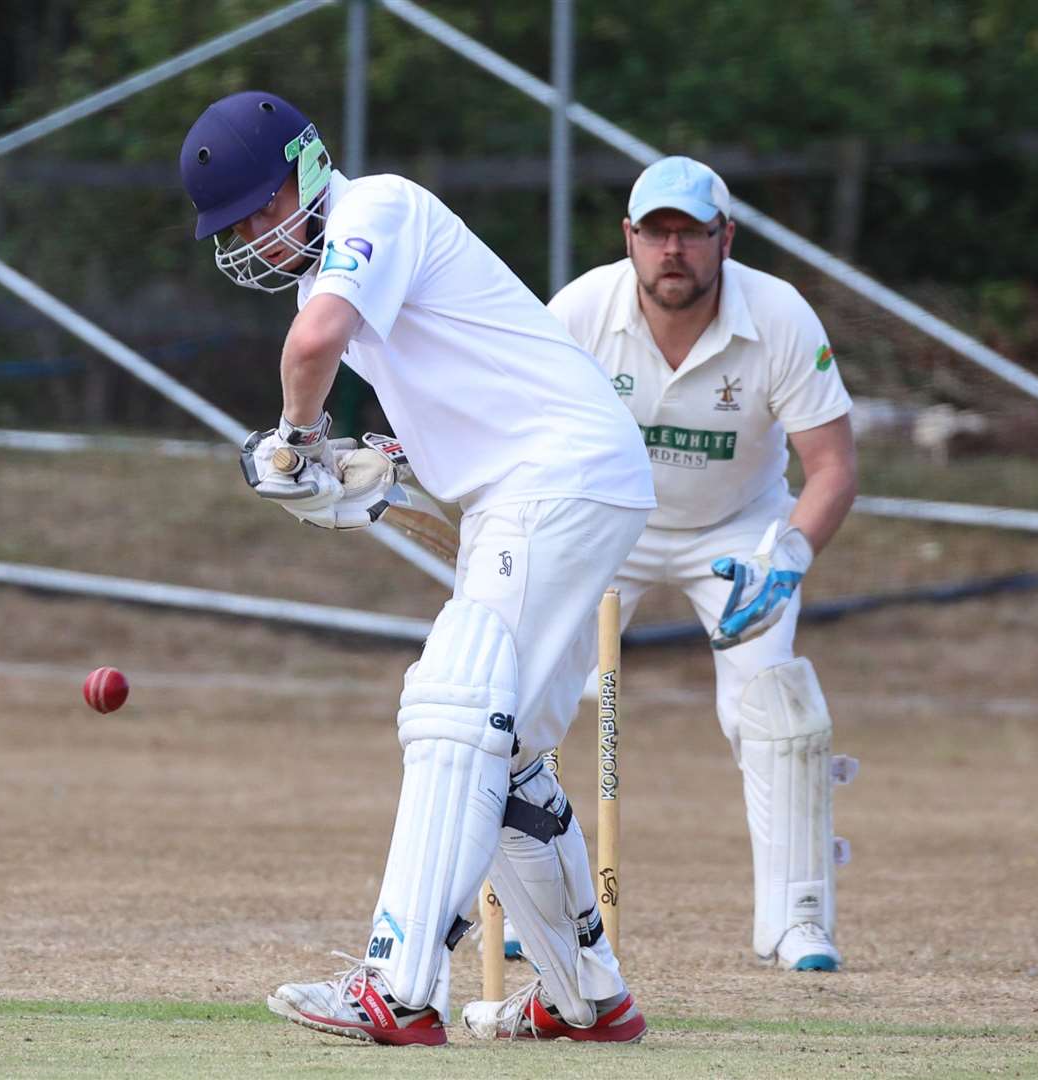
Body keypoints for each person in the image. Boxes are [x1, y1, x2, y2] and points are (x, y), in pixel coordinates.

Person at [178, 91, 655, 1045]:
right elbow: (460, 412)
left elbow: (312, 342)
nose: (259, 238)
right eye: (239, 228)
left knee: (450, 707)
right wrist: (379, 471)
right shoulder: (374, 263)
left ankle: (396, 987)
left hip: (553, 482)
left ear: (310, 171)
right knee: (509, 751)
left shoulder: (375, 209)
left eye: (264, 210)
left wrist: (295, 443)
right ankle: (587, 1000)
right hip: (556, 485)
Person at [545, 156, 860, 973]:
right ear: (630, 238)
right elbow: (520, 429)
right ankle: (538, 907)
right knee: (530, 690)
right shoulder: (581, 309)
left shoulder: (780, 317)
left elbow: (831, 466)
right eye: (656, 233)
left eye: (690, 232)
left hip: (739, 530)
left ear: (726, 237)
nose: (672, 250)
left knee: (776, 709)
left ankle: (798, 919)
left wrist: (787, 557)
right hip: (608, 516)